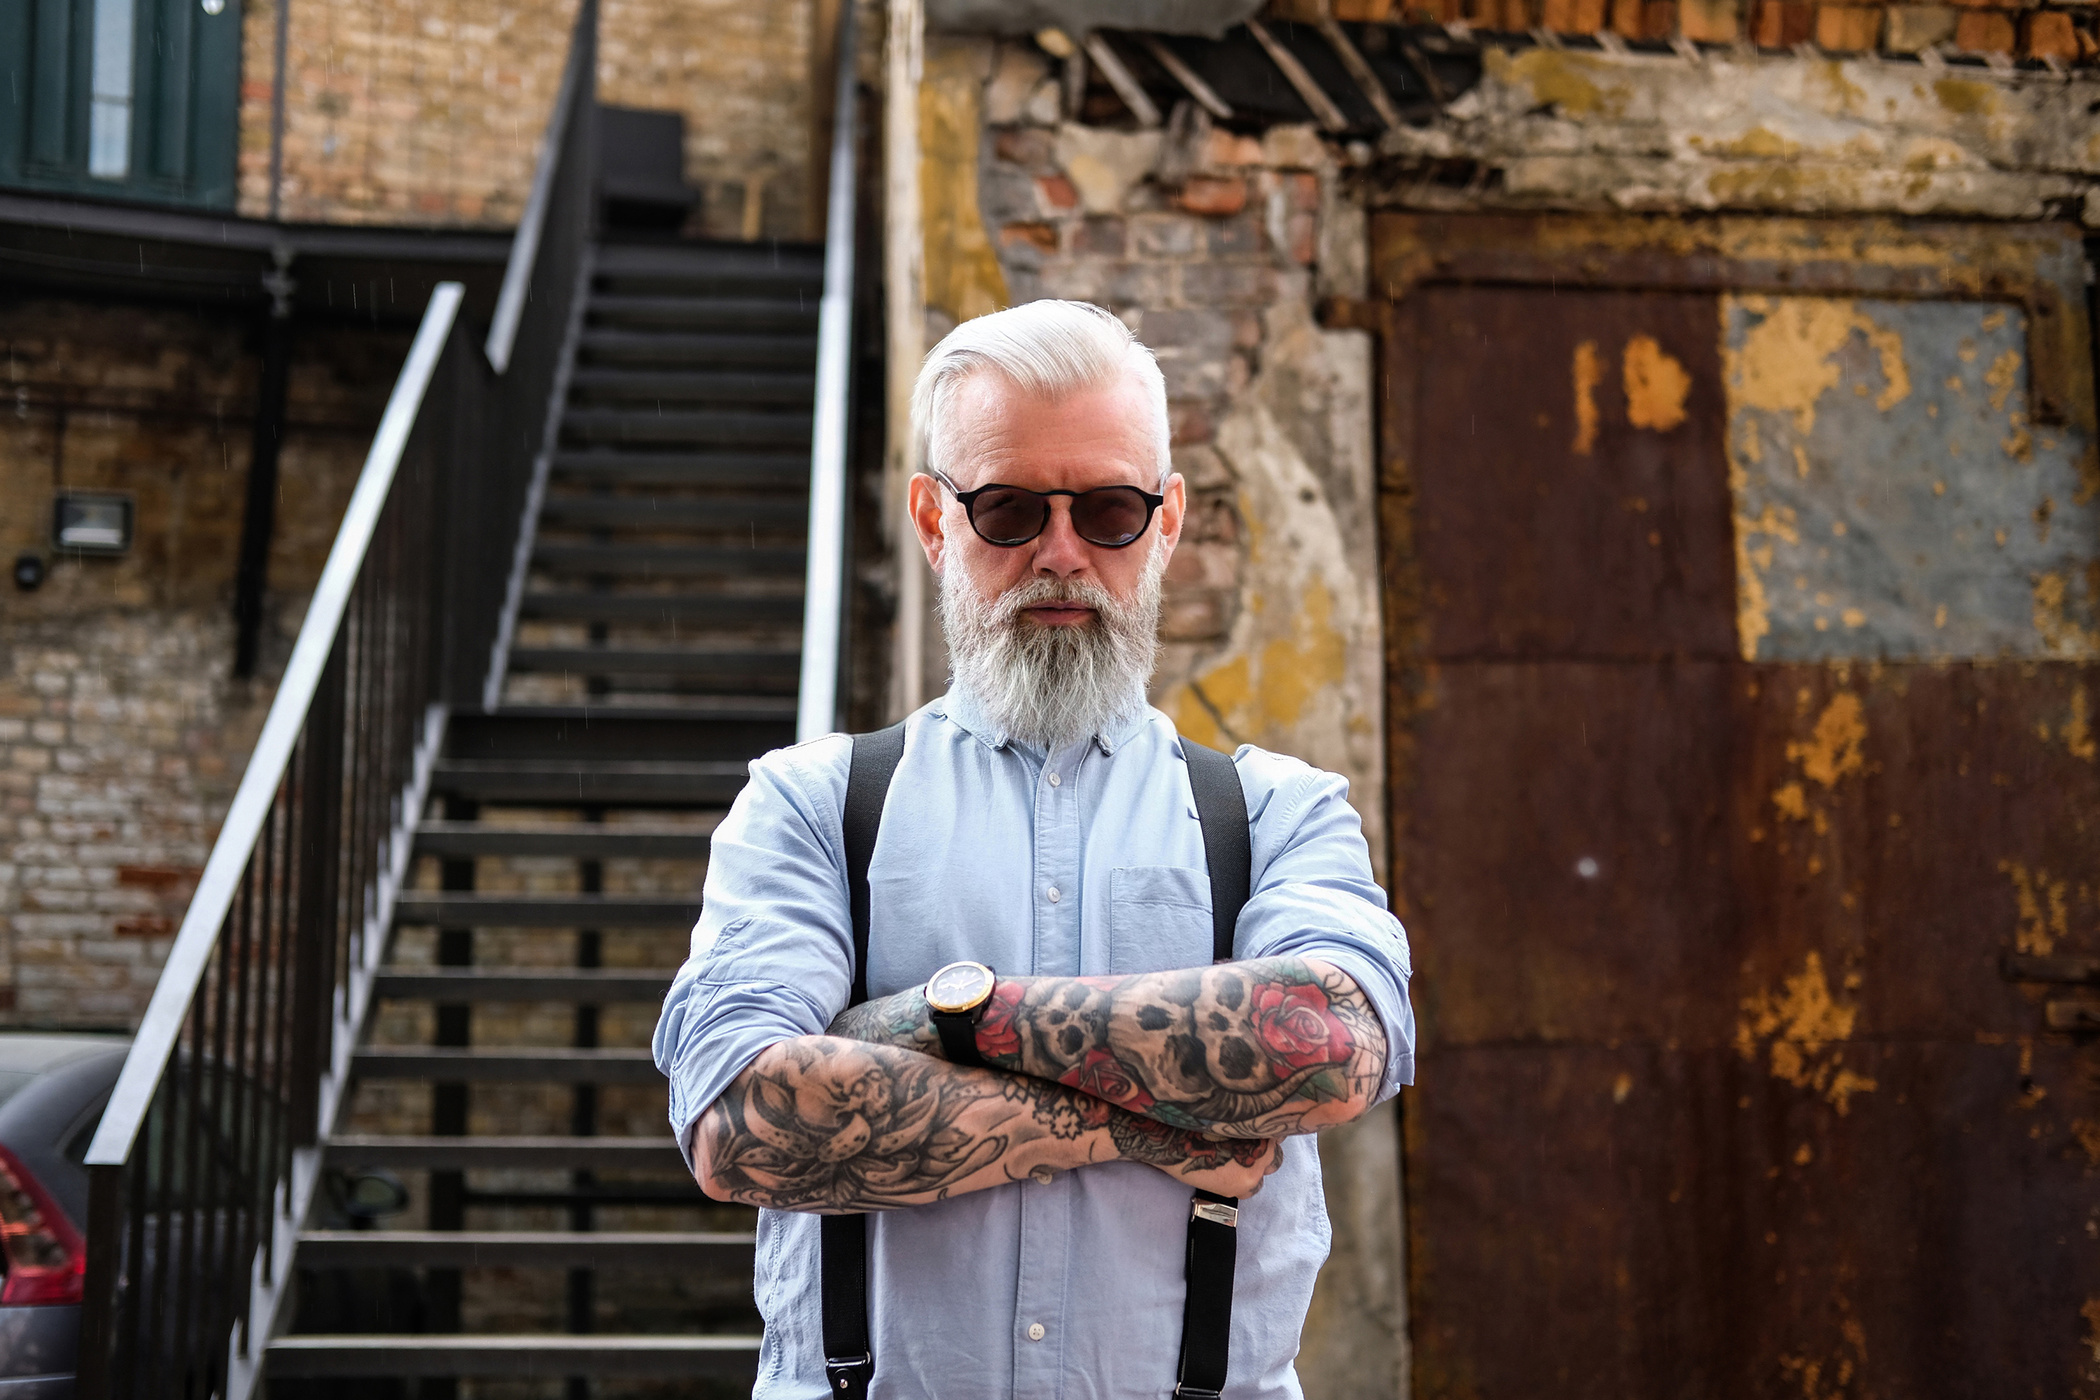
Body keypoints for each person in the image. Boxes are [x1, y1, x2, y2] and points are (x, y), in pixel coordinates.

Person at [651, 299, 1415, 1398]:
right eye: (1008, 509)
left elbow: (1336, 1043)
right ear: (932, 519)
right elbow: (738, 1121)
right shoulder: (812, 804)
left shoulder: (1276, 811)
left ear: (1165, 523)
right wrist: (1158, 1119)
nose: (1061, 553)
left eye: (1107, 508)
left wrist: (934, 1020)